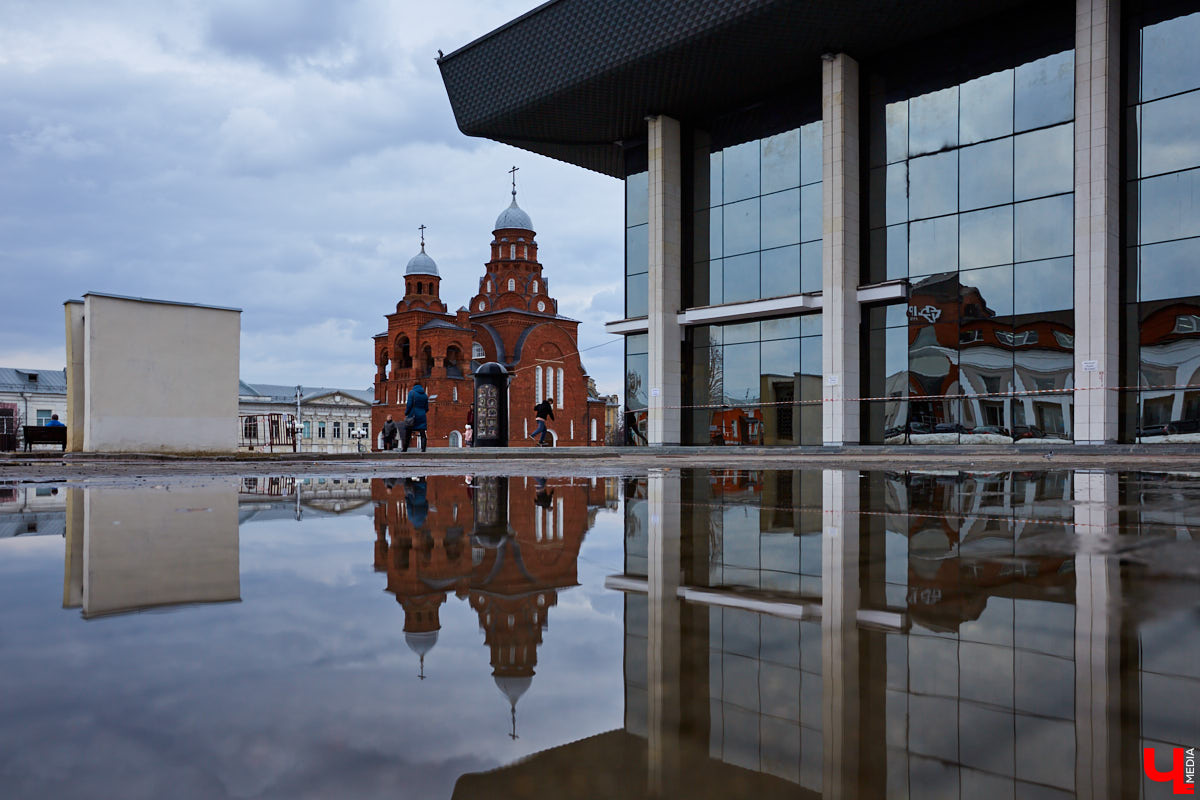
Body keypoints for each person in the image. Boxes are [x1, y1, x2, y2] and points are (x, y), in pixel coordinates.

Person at [402, 382, 429, 452]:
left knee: (408, 432)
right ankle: (423, 449)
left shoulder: (412, 393)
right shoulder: (425, 395)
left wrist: (406, 412)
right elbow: (427, 408)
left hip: (413, 415)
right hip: (422, 415)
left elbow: (409, 404)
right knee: (422, 433)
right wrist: (422, 412)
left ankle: (405, 448)